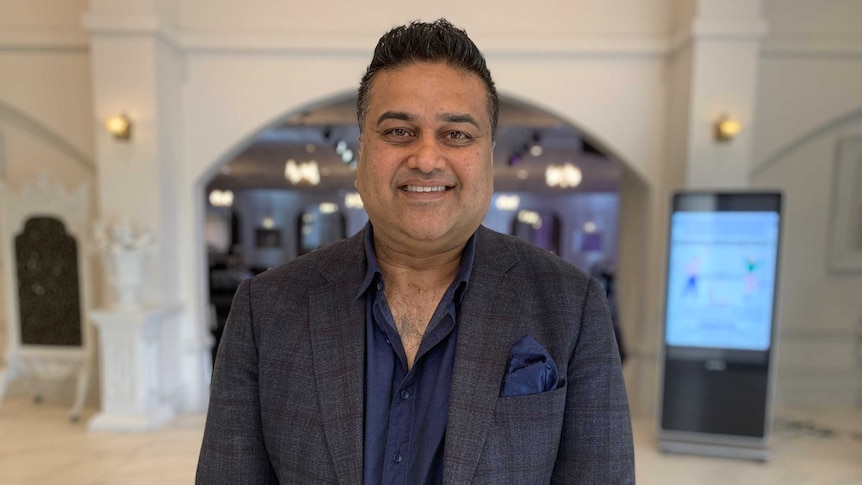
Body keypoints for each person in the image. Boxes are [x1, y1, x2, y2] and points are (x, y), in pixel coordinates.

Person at [196, 19, 634, 484]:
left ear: (488, 157)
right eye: (400, 132)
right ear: (363, 153)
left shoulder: (571, 306)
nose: (426, 158)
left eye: (457, 134)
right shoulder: (264, 310)